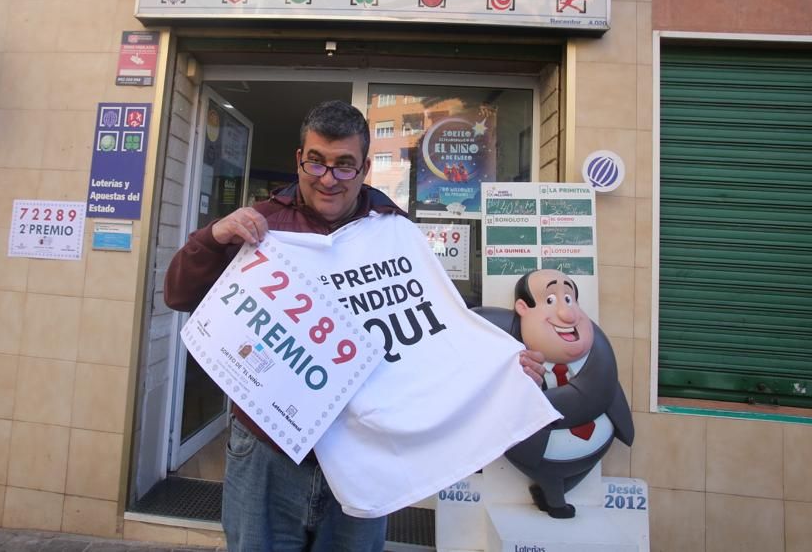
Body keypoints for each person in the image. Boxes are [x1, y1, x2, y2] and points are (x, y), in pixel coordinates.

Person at [165, 101, 545, 550]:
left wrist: (500, 368)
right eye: (317, 161)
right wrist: (212, 238)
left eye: (344, 165)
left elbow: (437, 332)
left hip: (367, 451)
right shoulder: (259, 228)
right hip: (269, 450)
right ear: (299, 160)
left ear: (365, 168)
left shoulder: (394, 234)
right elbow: (179, 295)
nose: (328, 178)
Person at [476, 269, 634, 519]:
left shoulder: (597, 359)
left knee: (573, 471)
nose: (566, 313)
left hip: (595, 445)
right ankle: (554, 494)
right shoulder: (522, 360)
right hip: (541, 452)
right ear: (522, 307)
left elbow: (606, 389)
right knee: (550, 475)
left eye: (569, 299)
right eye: (550, 300)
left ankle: (558, 491)